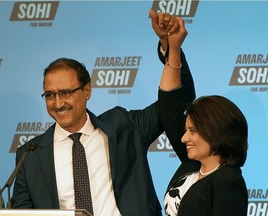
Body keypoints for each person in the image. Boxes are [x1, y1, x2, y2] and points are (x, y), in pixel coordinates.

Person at [10, 12, 195, 216]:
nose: (58, 103)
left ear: (87, 91)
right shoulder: (29, 155)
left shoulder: (125, 126)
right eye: (50, 95)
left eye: (66, 93)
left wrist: (171, 48)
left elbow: (181, 97)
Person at [157, 14, 248, 216]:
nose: (183, 137)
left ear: (215, 132)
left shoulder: (228, 181)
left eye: (192, 131)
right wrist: (172, 48)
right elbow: (169, 107)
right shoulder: (191, 165)